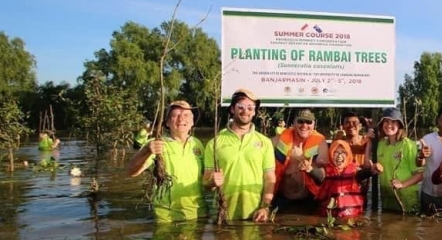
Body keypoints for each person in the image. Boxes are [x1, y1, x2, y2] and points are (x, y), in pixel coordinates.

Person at [126, 100, 208, 223]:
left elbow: (206, 178)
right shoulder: (156, 143)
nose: (181, 119)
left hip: (198, 212)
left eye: (186, 115)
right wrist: (147, 150)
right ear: (168, 122)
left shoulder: (198, 144)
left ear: (192, 122)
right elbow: (131, 171)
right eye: (175, 115)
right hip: (166, 216)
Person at [203, 88, 275, 222]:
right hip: (222, 213)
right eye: (240, 106)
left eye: (250, 108)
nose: (245, 111)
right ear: (232, 109)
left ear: (254, 112)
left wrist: (265, 207)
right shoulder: (215, 142)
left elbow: (269, 178)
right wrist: (212, 181)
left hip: (255, 214)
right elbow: (206, 181)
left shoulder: (264, 142)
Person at [272, 108, 329, 211]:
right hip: (282, 199)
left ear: (314, 124)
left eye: (308, 122)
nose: (304, 126)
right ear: (294, 122)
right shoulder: (280, 138)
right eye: (300, 121)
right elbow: (261, 147)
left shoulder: (320, 142)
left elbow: (323, 177)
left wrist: (301, 158)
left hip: (308, 200)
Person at [301, 140, 371, 219]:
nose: (339, 156)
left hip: (353, 217)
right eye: (335, 153)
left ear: (348, 155)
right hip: (328, 217)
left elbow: (363, 174)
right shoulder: (325, 171)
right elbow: (320, 175)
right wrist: (310, 169)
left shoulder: (355, 171)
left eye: (343, 153)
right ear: (330, 155)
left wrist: (372, 170)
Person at [371, 108, 423, 214]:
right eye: (386, 121)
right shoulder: (381, 144)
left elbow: (420, 174)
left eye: (393, 122)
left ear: (399, 125)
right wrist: (369, 142)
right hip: (387, 199)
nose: (389, 125)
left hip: (406, 199)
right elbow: (371, 165)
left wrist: (402, 184)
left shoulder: (408, 145)